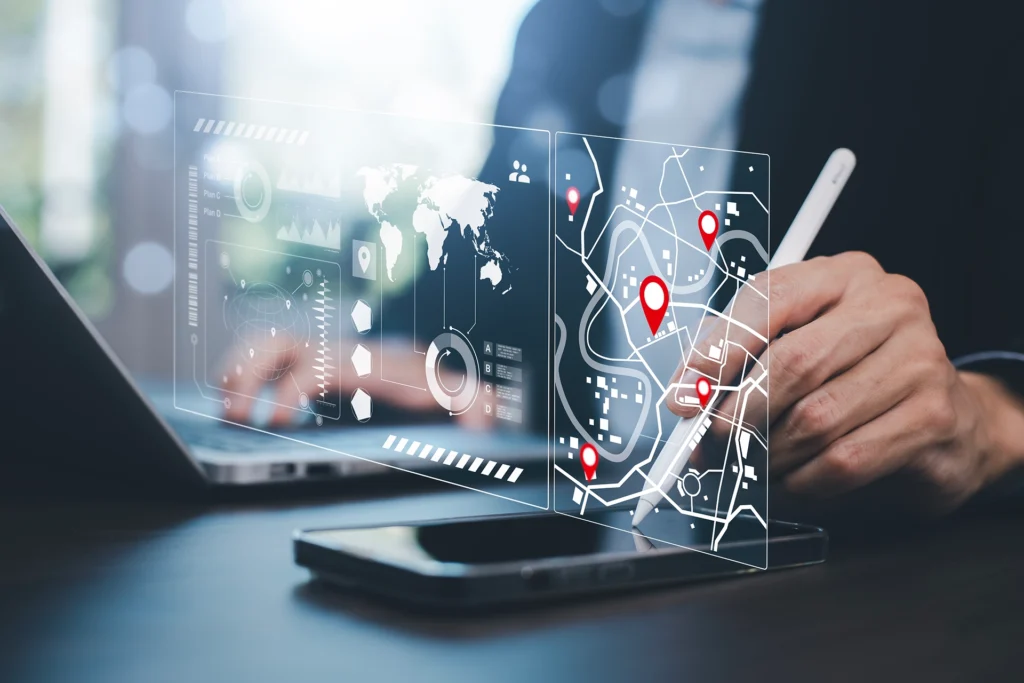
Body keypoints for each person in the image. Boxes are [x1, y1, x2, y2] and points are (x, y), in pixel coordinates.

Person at [473, 0, 1024, 512]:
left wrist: (991, 422)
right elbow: (490, 295)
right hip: (571, 544)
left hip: (860, 579)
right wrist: (441, 355)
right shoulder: (569, 26)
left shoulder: (969, 30)